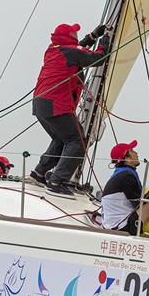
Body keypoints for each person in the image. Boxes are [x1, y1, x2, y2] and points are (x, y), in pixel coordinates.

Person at [30, 22, 110, 198]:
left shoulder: (54, 49)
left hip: (40, 103)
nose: (75, 36)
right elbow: (96, 59)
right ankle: (57, 181)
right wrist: (105, 41)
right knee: (78, 140)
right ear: (70, 37)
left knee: (61, 138)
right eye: (74, 33)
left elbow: (76, 50)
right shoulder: (71, 51)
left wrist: (92, 37)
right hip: (56, 104)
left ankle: (39, 173)